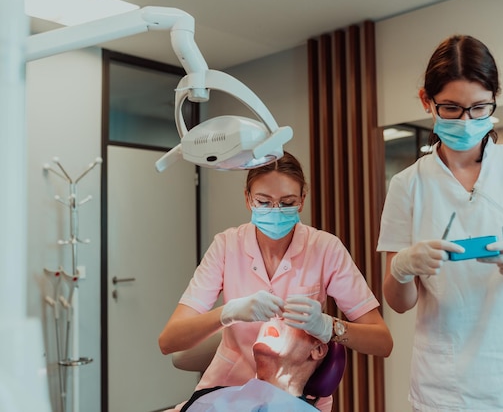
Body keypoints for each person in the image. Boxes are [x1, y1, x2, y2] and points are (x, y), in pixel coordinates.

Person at [377, 35, 503, 412]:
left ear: (493, 100)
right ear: (427, 101)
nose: (467, 120)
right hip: (448, 388)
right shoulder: (407, 185)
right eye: (452, 108)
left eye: (479, 108)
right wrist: (402, 269)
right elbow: (398, 301)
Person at [159, 151, 393, 412]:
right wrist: (228, 313)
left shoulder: (325, 248)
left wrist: (329, 326)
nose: (275, 211)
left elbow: (382, 342)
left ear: (302, 200)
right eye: (263, 201)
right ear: (248, 199)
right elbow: (169, 341)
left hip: (293, 398)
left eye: (287, 202)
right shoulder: (226, 246)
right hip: (227, 391)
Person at [181, 317, 329, 412]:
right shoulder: (207, 396)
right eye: (273, 314)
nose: (274, 318)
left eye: (288, 316)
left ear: (317, 350)